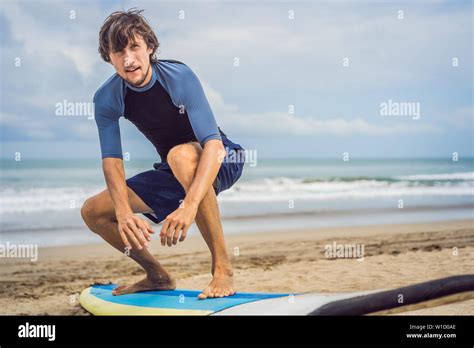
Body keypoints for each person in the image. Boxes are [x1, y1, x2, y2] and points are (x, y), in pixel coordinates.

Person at [81, 9, 245, 300]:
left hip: (222, 158)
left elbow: (214, 145)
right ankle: (157, 276)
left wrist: (188, 207)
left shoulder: (178, 76)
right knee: (93, 211)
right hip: (172, 170)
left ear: (150, 47)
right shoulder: (106, 98)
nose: (128, 59)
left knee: (181, 155)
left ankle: (222, 269)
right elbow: (112, 162)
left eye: (134, 47)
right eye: (118, 51)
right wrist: (123, 213)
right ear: (109, 57)